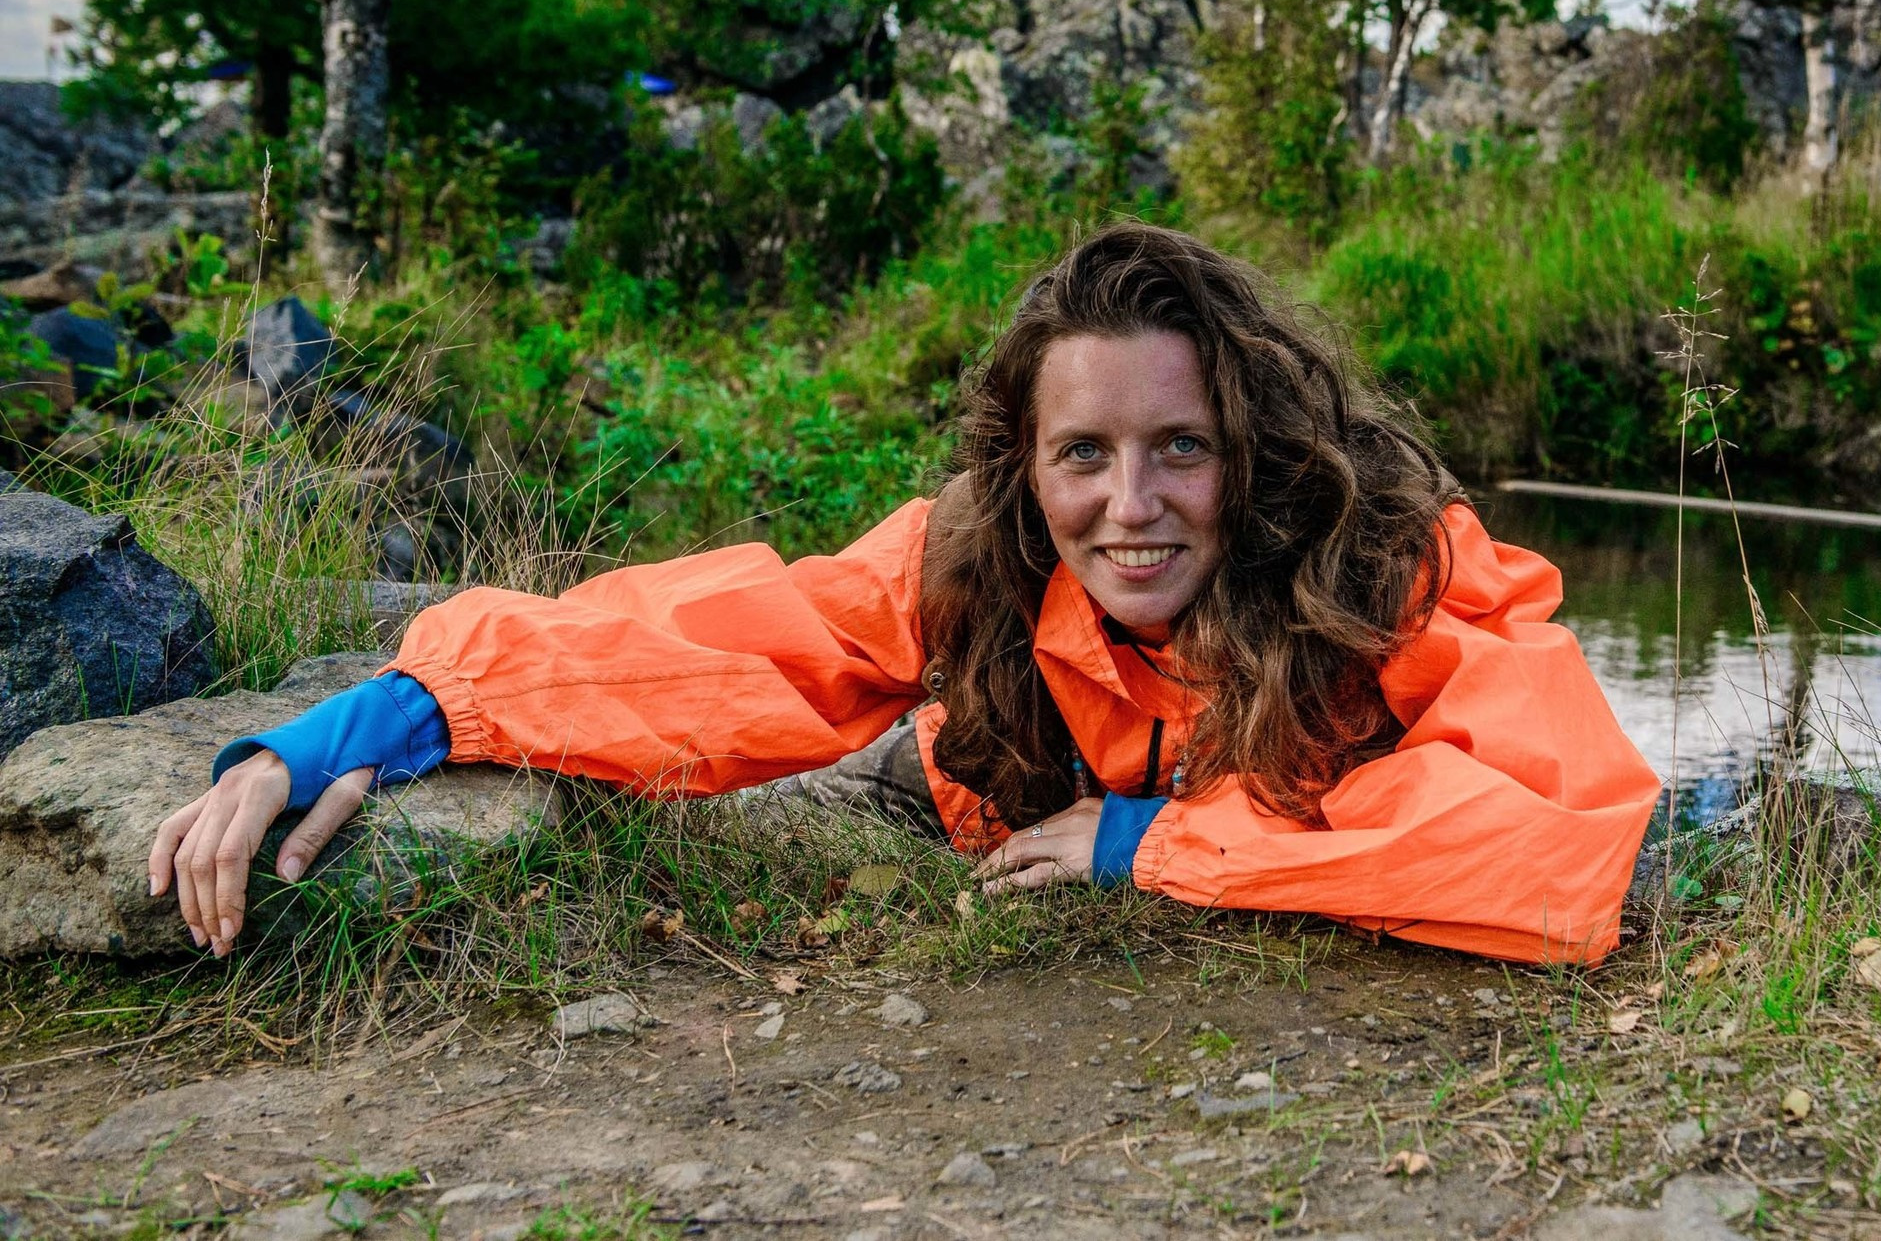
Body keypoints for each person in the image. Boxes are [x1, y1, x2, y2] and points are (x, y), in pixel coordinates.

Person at [149, 224, 1659, 963]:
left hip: (1156, 819)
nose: (1130, 508)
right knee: (798, 733)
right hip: (962, 787)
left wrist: (1156, 845)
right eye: (1084, 454)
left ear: (1253, 448)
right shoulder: (972, 553)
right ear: (1028, 464)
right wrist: (382, 721)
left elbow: (1565, 840)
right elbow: (714, 647)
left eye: (1183, 448)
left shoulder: (1401, 568)